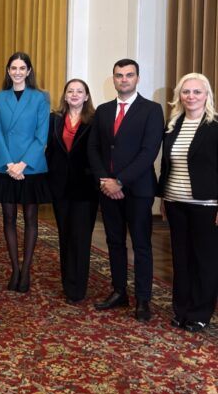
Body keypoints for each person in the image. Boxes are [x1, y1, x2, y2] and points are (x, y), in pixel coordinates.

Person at [87, 59, 164, 321]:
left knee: (141, 244)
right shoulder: (103, 110)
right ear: (114, 79)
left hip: (138, 189)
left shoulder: (152, 110)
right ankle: (119, 291)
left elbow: (148, 152)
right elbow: (93, 148)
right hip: (107, 189)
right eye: (119, 75)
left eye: (129, 75)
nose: (124, 79)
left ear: (137, 79)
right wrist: (105, 181)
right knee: (114, 242)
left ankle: (143, 299)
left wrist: (119, 181)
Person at [159, 72, 218, 333]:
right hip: (175, 202)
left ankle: (200, 313)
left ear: (207, 96)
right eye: (186, 92)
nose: (191, 96)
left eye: (197, 92)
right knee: (180, 259)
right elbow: (167, 165)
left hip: (206, 205)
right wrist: (163, 198)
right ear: (179, 96)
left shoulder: (214, 126)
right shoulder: (173, 125)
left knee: (204, 260)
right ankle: (181, 310)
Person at [0, 52, 50, 294]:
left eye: (22, 68)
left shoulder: (40, 97)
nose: (17, 72)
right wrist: (9, 164)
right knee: (8, 219)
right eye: (13, 68)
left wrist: (23, 164)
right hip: (6, 167)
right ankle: (15, 268)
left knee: (31, 219)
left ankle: (26, 270)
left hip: (31, 168)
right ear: (8, 70)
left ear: (29, 71)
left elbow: (42, 135)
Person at [46, 78, 99, 303]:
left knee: (80, 237)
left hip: (85, 187)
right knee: (65, 236)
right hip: (60, 186)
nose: (74, 94)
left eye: (79, 91)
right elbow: (49, 151)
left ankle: (78, 288)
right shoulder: (54, 119)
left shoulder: (95, 120)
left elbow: (99, 152)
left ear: (86, 96)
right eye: (70, 91)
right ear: (65, 96)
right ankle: (68, 284)